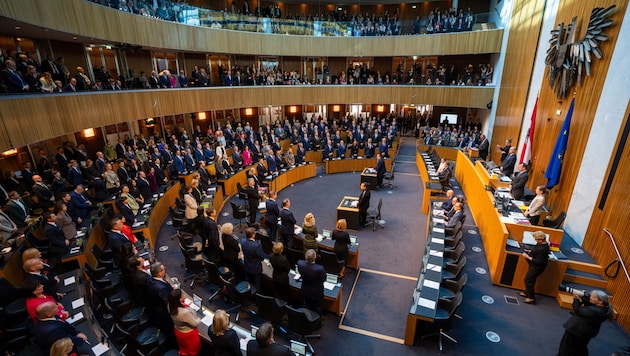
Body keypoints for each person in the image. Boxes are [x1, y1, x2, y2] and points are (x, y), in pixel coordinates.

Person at [558, 290, 614, 355]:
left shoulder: (595, 311)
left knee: (565, 349)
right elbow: (589, 306)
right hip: (584, 332)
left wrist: (577, 299)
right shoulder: (603, 309)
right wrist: (583, 297)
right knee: (580, 349)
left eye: (592, 297)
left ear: (600, 301)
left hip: (576, 330)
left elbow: (577, 310)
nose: (590, 297)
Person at [168, 289, 201, 356]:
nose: (184, 295)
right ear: (179, 299)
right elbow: (195, 323)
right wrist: (198, 318)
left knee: (184, 348)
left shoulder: (169, 305)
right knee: (192, 352)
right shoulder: (184, 313)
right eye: (182, 295)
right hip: (188, 335)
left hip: (178, 331)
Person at [520, 231, 549, 304]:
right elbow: (536, 251)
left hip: (537, 267)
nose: (535, 240)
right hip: (533, 266)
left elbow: (539, 261)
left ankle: (531, 298)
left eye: (536, 239)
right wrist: (530, 251)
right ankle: (527, 292)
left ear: (541, 240)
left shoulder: (543, 249)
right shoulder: (541, 244)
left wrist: (528, 257)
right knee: (531, 280)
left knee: (528, 280)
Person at [297, 249, 326, 314]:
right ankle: (316, 321)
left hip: (305, 289)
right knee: (317, 307)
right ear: (315, 257)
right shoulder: (320, 269)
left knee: (307, 304)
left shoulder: (300, 263)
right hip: (316, 292)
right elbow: (323, 279)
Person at [242, 227, 267, 292]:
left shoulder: (243, 242)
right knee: (257, 284)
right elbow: (262, 257)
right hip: (255, 268)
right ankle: (257, 297)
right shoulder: (256, 246)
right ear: (253, 235)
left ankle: (248, 294)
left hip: (247, 265)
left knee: (249, 282)